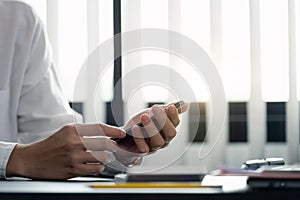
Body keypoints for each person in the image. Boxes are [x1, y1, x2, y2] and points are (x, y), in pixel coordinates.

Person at [0, 0, 183, 180]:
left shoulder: (19, 19)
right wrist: (16, 158)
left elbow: (50, 142)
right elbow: (34, 156)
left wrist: (116, 149)